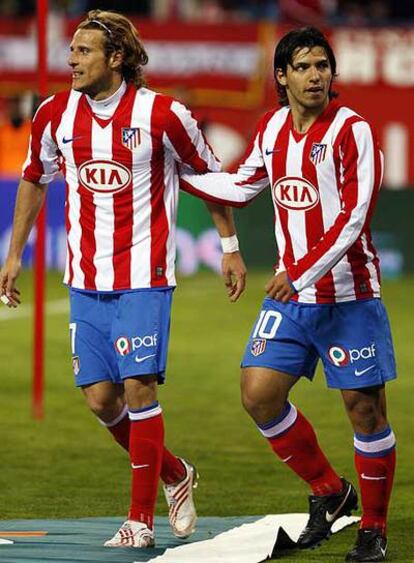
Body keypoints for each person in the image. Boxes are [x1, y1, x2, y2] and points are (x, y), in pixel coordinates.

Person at [0, 10, 246, 549]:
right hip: (85, 278)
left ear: (116, 59)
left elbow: (208, 177)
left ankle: (139, 521)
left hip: (145, 275)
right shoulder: (53, 115)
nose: (71, 60)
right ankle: (175, 473)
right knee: (101, 401)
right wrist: (14, 254)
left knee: (139, 388)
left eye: (84, 51)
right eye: (71, 50)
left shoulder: (163, 114)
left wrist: (229, 246)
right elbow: (35, 179)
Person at [180, 26, 396, 562]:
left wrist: (298, 271)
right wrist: (175, 174)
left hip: (349, 295)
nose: (317, 75)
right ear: (282, 76)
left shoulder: (353, 131)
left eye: (323, 65)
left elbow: (353, 219)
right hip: (295, 296)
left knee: (364, 411)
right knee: (258, 393)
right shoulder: (272, 127)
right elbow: (241, 186)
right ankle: (329, 490)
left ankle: (373, 527)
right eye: (303, 66)